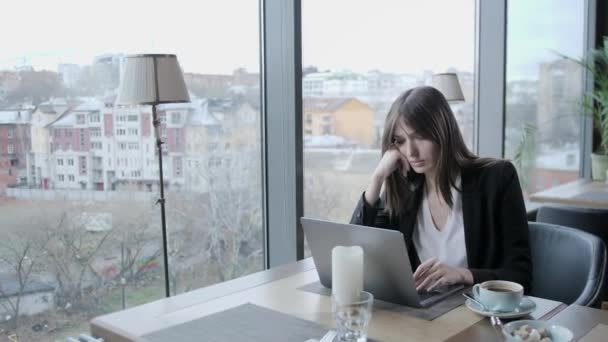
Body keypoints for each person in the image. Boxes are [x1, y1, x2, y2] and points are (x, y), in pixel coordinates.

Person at [350, 86, 532, 293]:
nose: (411, 151)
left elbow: (521, 276)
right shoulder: (406, 192)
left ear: (443, 132)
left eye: (420, 136)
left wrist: (464, 275)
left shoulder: (497, 178)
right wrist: (377, 179)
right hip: (423, 316)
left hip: (480, 315)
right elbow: (353, 255)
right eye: (400, 141)